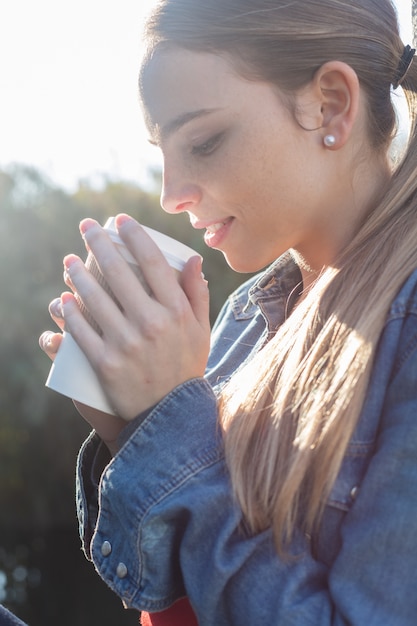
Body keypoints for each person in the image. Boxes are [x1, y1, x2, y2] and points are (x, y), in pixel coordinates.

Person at [39, 0, 417, 623]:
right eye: (164, 149)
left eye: (204, 142)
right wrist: (130, 430)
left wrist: (168, 420)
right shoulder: (247, 320)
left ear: (330, 103)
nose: (170, 192)